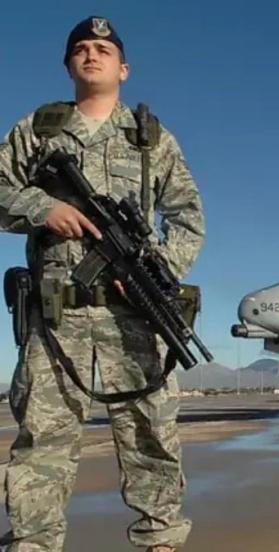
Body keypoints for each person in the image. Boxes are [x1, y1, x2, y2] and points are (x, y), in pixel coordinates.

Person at [0, 15, 205, 551]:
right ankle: (32, 545)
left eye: (103, 49)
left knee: (151, 435)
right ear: (69, 64)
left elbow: (188, 217)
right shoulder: (38, 130)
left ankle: (160, 541)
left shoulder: (149, 138)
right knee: (42, 445)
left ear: (124, 69)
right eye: (82, 49)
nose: (92, 55)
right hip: (56, 319)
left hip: (133, 313)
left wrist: (156, 271)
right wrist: (42, 207)